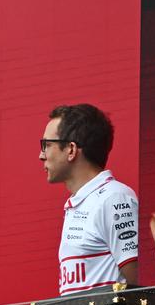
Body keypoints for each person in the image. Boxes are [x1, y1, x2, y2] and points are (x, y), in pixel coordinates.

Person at [39, 103, 139, 294]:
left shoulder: (114, 198)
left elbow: (141, 283)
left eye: (47, 145)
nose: (41, 155)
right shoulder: (78, 203)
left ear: (71, 149)